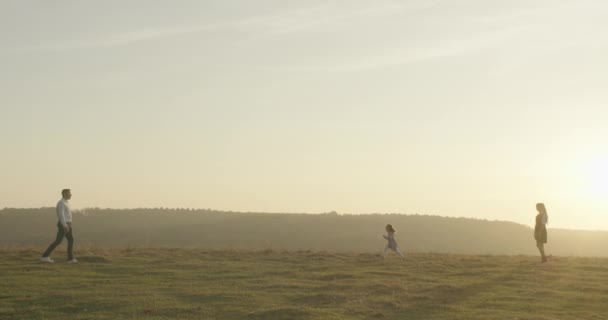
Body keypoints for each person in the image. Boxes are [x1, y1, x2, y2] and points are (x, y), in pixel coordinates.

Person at [40, 189, 78, 263]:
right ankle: (44, 256)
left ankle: (70, 259)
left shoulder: (66, 202)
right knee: (58, 241)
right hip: (64, 225)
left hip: (68, 224)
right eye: (69, 193)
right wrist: (65, 225)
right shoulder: (61, 203)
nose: (71, 195)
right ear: (64, 194)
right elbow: (61, 215)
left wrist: (69, 224)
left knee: (70, 240)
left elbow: (67, 215)